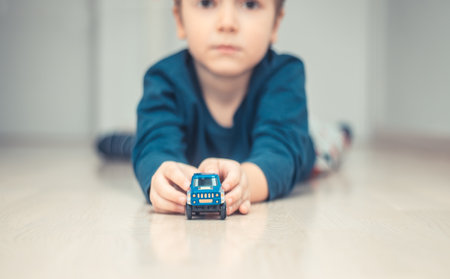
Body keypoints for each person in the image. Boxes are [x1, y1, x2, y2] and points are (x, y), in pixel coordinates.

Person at [98, 0, 352, 216]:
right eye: (207, 2)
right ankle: (127, 139)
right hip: (195, 152)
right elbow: (155, 147)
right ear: (179, 19)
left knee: (324, 145)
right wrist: (161, 177)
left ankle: (341, 133)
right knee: (145, 144)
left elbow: (281, 155)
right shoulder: (163, 80)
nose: (227, 23)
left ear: (275, 23)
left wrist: (244, 183)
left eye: (250, 4)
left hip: (306, 140)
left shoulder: (285, 75)